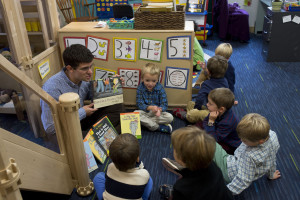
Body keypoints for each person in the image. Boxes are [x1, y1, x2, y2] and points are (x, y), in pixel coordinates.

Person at [40, 44, 125, 143]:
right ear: (70, 68)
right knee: (78, 138)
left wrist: (109, 86)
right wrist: (82, 113)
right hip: (65, 128)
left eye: (91, 66)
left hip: (81, 120)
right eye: (85, 68)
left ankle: (97, 137)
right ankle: (103, 136)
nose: (90, 72)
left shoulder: (83, 78)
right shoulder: (52, 88)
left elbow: (93, 98)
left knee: (117, 105)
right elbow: (50, 128)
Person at [213, 113, 281, 195]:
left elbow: (243, 180)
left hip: (229, 172)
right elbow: (272, 158)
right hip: (248, 168)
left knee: (212, 144)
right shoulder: (272, 135)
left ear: (260, 141)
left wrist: (223, 194)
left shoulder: (249, 156)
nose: (241, 140)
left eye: (244, 141)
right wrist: (271, 174)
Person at [160, 126, 233, 200]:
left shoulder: (181, 187)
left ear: (181, 159)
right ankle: (183, 171)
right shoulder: (212, 165)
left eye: (174, 148)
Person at [93, 133, 153, 200]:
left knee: (99, 176)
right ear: (137, 158)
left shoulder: (110, 167)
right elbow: (142, 169)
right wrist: (139, 162)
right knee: (149, 180)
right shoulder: (144, 174)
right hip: (137, 186)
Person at [173, 55, 228, 123]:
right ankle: (198, 119)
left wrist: (196, 110)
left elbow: (200, 99)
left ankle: (188, 117)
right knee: (190, 103)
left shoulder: (206, 84)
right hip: (218, 110)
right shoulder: (225, 80)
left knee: (193, 113)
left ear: (209, 71)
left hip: (214, 115)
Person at [135, 63, 173, 133]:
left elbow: (164, 104)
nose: (150, 84)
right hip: (146, 112)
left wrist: (159, 110)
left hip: (157, 114)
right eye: (147, 80)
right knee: (135, 114)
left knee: (170, 117)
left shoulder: (160, 88)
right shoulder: (140, 88)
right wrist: (150, 108)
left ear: (157, 80)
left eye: (154, 81)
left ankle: (147, 123)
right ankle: (158, 127)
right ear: (142, 79)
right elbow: (139, 104)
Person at [203, 88, 241, 154]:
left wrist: (211, 121)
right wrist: (210, 122)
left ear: (221, 109)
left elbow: (213, 139)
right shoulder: (217, 111)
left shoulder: (227, 122)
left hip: (229, 144)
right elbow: (205, 121)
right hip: (219, 133)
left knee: (206, 147)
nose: (207, 104)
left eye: (210, 103)